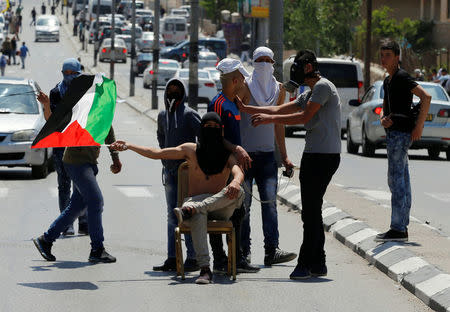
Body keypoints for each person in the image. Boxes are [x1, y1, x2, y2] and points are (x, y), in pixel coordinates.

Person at [236, 49, 341, 279]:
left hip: (324, 157)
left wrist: (269, 119)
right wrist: (248, 110)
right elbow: (279, 109)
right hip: (313, 156)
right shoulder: (310, 92)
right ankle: (319, 263)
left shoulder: (323, 87)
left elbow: (302, 118)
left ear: (308, 68)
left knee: (311, 213)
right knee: (312, 212)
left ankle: (305, 264)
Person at [110, 112, 245, 284]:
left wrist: (235, 182)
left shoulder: (227, 155)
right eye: (207, 126)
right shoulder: (191, 150)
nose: (211, 130)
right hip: (194, 202)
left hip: (218, 207)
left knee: (239, 192)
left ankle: (197, 208)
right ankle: (205, 269)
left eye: (215, 127)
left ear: (221, 131)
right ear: (201, 129)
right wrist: (129, 145)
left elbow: (238, 172)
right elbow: (157, 153)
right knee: (197, 213)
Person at [33, 87, 123, 263]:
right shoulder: (81, 111)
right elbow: (56, 123)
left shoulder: (103, 112)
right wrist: (46, 105)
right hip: (76, 162)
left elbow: (109, 135)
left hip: (89, 163)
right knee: (96, 201)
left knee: (76, 207)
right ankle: (97, 249)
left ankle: (46, 240)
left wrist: (115, 159)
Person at [237, 47, 297, 266]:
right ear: (253, 63)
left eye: (267, 60)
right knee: (243, 207)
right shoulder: (244, 86)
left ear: (273, 63)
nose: (263, 64)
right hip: (245, 158)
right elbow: (236, 116)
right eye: (259, 60)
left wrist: (285, 156)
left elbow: (278, 124)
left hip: (267, 158)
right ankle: (244, 251)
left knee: (270, 205)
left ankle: (272, 250)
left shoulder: (278, 90)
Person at [374, 41, 431, 242]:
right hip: (393, 133)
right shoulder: (388, 80)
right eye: (382, 55)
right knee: (402, 180)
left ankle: (398, 228)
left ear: (397, 57)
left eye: (388, 55)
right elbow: (385, 107)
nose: (384, 59)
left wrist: (419, 127)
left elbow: (426, 97)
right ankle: (401, 227)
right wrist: (383, 119)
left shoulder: (402, 77)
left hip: (400, 134)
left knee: (396, 180)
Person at [208, 58, 260, 274]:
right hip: (220, 168)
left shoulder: (234, 103)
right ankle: (220, 260)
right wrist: (237, 149)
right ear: (236, 80)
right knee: (217, 214)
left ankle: (236, 258)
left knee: (238, 212)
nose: (243, 84)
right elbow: (214, 138)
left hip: (235, 168)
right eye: (241, 80)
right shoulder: (218, 103)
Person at [153, 78, 201, 272]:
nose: (173, 94)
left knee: (187, 213)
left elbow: (203, 139)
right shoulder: (163, 115)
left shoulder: (190, 115)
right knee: (172, 216)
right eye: (170, 91)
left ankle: (193, 257)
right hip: (170, 173)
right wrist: (165, 158)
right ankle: (172, 257)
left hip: (187, 174)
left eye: (177, 91)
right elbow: (161, 136)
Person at [44, 59, 89, 236]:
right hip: (61, 146)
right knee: (64, 186)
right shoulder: (56, 92)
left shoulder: (84, 93)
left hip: (81, 146)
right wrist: (46, 105)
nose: (69, 76)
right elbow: (53, 120)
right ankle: (66, 223)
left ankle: (84, 221)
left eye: (73, 73)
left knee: (83, 185)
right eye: (66, 73)